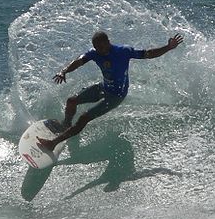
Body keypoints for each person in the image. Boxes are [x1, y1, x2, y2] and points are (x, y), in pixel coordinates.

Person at [37, 31, 183, 151]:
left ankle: (53, 143)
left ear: (108, 42)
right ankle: (66, 125)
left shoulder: (123, 51)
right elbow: (79, 61)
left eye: (101, 47)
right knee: (71, 101)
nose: (99, 51)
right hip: (104, 87)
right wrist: (64, 71)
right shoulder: (95, 53)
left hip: (116, 96)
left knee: (83, 118)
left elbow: (148, 54)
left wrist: (168, 47)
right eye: (96, 48)